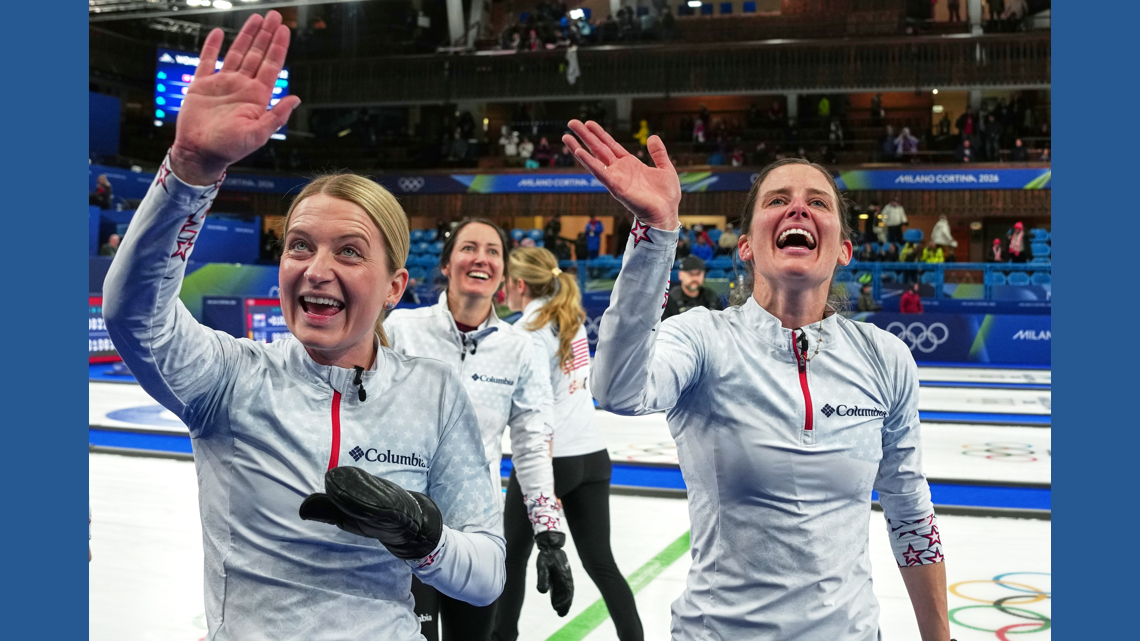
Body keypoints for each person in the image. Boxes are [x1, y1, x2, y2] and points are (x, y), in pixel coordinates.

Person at [103, 12, 505, 639]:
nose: (316, 270)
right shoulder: (230, 380)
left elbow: (485, 575)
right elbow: (133, 313)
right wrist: (188, 169)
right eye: (298, 247)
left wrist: (422, 538)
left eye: (348, 251)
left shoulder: (435, 393)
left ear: (396, 287)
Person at [562, 120, 948, 640]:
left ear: (844, 250)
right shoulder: (703, 339)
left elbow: (909, 509)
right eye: (777, 200)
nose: (798, 209)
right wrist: (656, 237)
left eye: (819, 201)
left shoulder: (886, 358)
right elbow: (616, 389)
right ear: (745, 247)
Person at [384, 219, 574, 641]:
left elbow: (531, 444)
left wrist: (549, 534)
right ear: (447, 264)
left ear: (504, 274)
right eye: (469, 248)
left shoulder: (519, 349)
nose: (481, 258)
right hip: (405, 526)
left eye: (493, 251)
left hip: (477, 533)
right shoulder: (401, 331)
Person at [495, 247, 644, 641]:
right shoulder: (570, 318)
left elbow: (532, 409)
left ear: (519, 285)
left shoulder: (524, 332)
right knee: (602, 564)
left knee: (511, 559)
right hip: (593, 455)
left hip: (551, 460)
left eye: (507, 283)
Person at [662, 256, 723, 321]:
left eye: (698, 274)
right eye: (690, 274)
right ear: (680, 275)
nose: (695, 278)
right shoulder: (670, 300)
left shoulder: (712, 297)